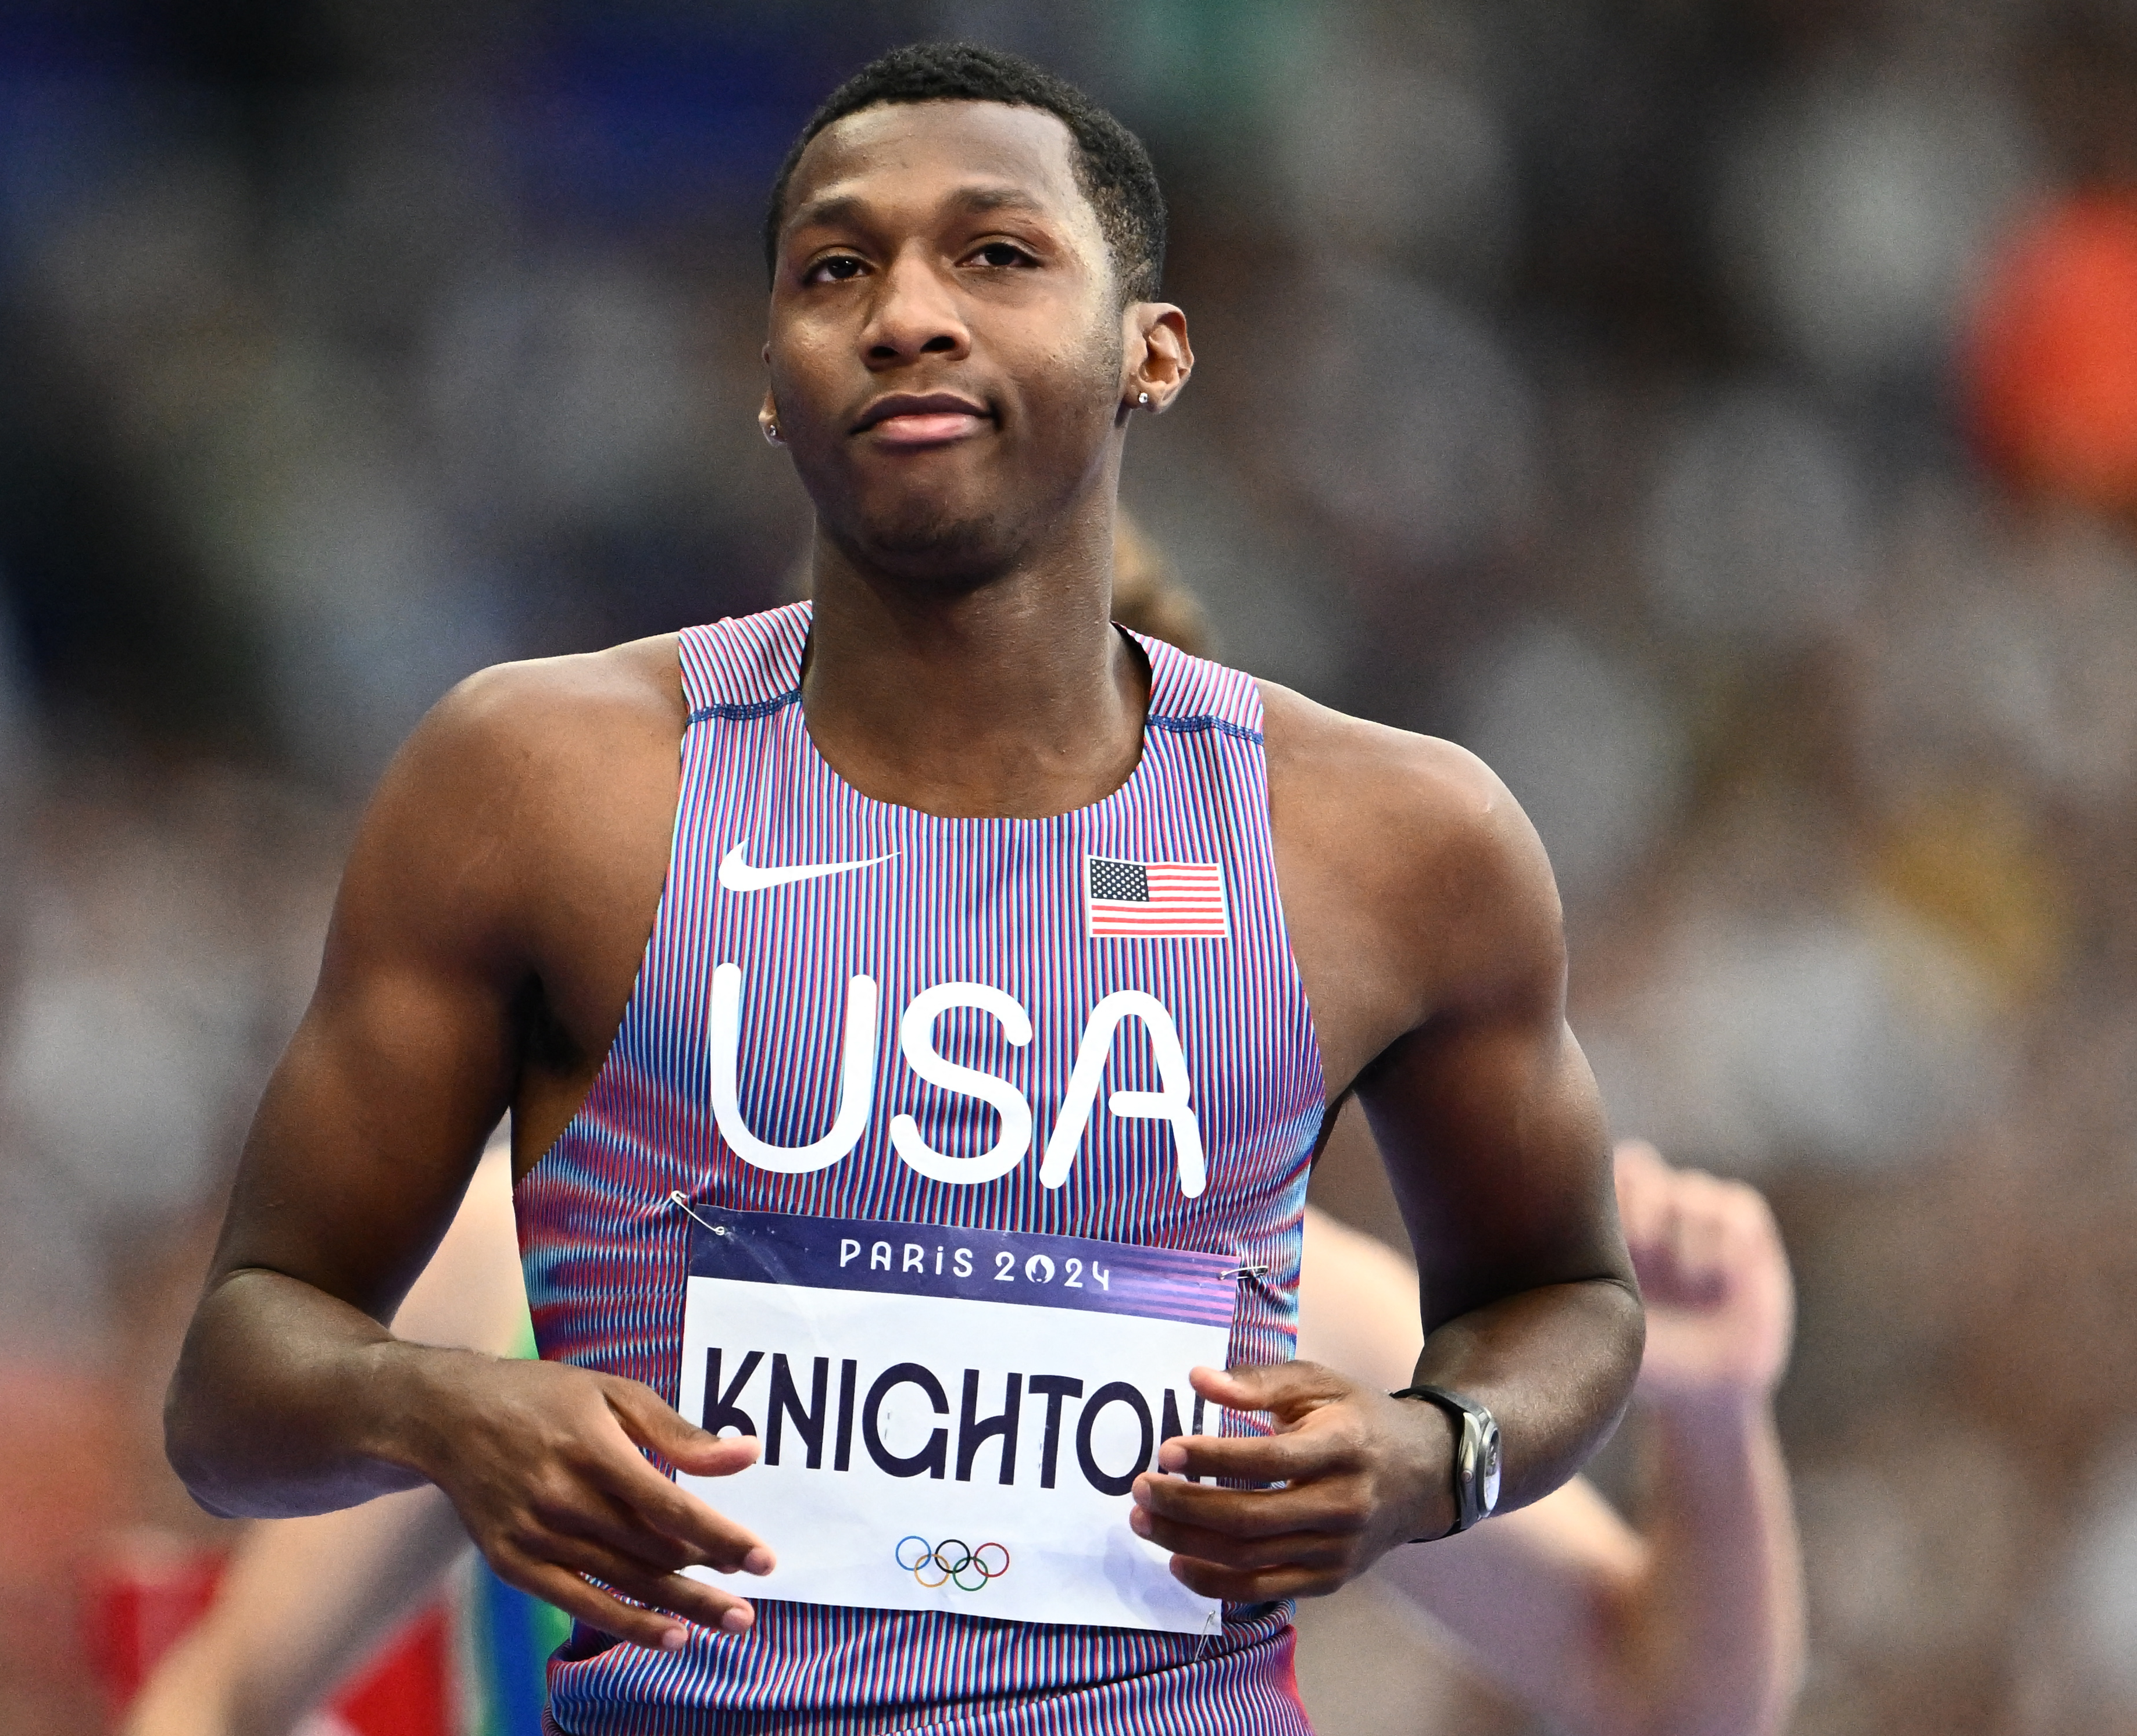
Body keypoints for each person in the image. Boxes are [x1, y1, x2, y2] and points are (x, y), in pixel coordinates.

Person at [163, 41, 1645, 1734]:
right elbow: (231, 1393)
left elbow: (1569, 1300)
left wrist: (1426, 1450)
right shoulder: (539, 784)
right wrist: (438, 1412)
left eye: (998, 255)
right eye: (836, 267)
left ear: (1151, 349)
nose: (908, 313)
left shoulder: (1396, 839)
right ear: (771, 375)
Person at [128, 1137, 1800, 1736]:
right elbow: (219, 1694)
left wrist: (1715, 1418)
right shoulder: (539, 1241)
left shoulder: (1282, 1310)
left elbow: (1666, 1685)